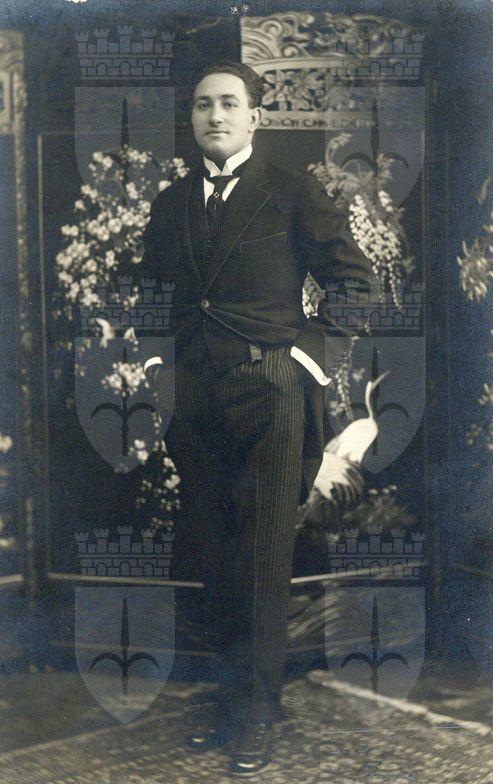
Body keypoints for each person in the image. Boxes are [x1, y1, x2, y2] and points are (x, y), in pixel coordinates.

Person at [133, 60, 379, 777]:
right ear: (191, 117)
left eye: (229, 104)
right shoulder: (171, 203)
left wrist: (303, 360)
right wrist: (160, 363)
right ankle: (227, 707)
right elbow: (149, 291)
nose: (214, 115)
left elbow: (354, 282)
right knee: (213, 556)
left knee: (263, 560)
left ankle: (258, 717)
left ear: (254, 117)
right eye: (202, 104)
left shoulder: (291, 192)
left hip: (269, 393)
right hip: (195, 401)